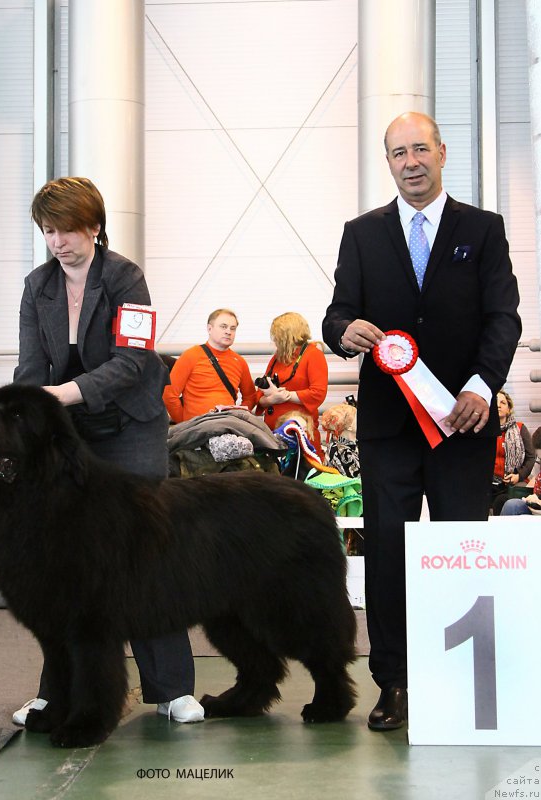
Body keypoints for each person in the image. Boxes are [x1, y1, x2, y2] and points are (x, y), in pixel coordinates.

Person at [322, 111, 521, 732]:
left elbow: (504, 317)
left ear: (442, 152)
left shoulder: (483, 229)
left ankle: (461, 683)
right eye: (398, 153)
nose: (410, 162)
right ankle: (395, 682)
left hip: (464, 423)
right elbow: (336, 314)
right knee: (387, 553)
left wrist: (481, 386)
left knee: (463, 550)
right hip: (388, 429)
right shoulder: (361, 234)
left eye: (419, 149)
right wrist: (343, 332)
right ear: (388, 162)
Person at [12, 176, 203, 725]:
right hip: (71, 434)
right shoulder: (36, 286)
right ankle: (59, 692)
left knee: (145, 555)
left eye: (67, 230)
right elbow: (30, 368)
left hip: (130, 427)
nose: (58, 242)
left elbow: (134, 360)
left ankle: (172, 689)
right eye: (48, 231)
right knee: (66, 566)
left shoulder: (125, 277)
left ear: (93, 226)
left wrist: (66, 393)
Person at [255, 312, 328, 459]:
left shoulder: (313, 354)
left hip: (300, 432)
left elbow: (317, 393)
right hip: (273, 434)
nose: (274, 340)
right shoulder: (277, 357)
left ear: (288, 335)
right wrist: (270, 399)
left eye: (277, 336)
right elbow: (259, 395)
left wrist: (286, 396)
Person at [163, 309, 256, 422]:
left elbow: (251, 397)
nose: (228, 332)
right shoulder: (191, 356)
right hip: (197, 427)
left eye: (233, 328)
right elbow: (169, 395)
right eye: (223, 326)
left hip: (228, 425)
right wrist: (184, 422)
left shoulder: (239, 362)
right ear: (209, 329)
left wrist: (239, 416)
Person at [491, 389, 535, 515]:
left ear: (509, 409)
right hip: (489, 482)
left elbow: (531, 457)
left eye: (503, 403)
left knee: (501, 501)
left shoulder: (520, 428)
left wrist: (519, 476)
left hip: (513, 482)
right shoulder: (484, 431)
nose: (498, 405)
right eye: (495, 402)